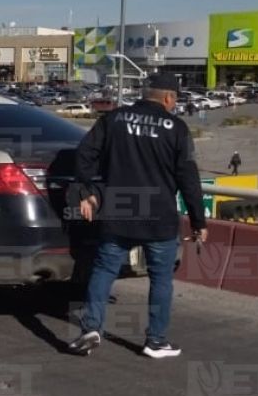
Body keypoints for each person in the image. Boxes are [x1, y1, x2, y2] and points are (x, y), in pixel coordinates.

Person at [68, 72, 208, 358]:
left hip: (119, 211)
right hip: (159, 217)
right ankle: (155, 341)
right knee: (160, 279)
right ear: (168, 97)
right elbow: (188, 179)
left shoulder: (114, 119)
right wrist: (198, 221)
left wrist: (88, 190)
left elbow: (84, 153)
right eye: (175, 99)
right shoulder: (177, 128)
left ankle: (91, 328)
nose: (175, 104)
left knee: (104, 270)